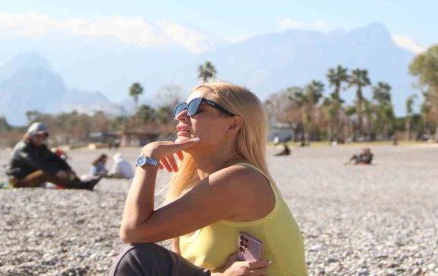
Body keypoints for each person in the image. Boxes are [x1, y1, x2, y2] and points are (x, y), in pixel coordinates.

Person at [110, 82, 307, 276]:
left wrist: (148, 157)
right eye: (182, 107)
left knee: (136, 259)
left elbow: (133, 231)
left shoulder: (240, 179)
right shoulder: (194, 188)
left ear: (232, 125)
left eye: (196, 108)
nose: (181, 116)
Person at [6, 122, 100, 190]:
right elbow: (36, 163)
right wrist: (56, 171)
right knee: (46, 172)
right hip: (18, 180)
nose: (40, 139)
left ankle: (78, 182)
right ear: (31, 135)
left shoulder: (40, 147)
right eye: (38, 136)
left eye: (43, 137)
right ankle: (76, 186)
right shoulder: (23, 147)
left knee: (54, 165)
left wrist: (68, 170)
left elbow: (56, 158)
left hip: (29, 176)